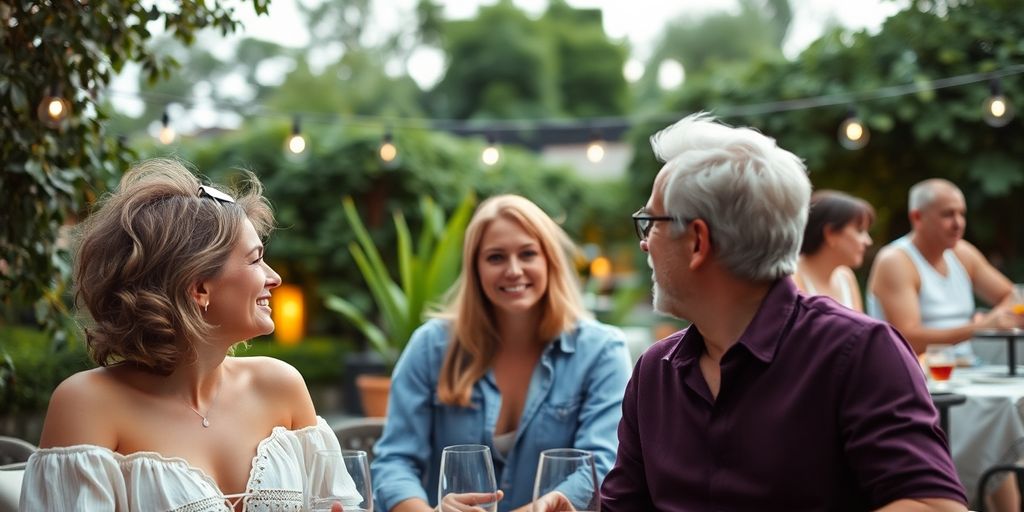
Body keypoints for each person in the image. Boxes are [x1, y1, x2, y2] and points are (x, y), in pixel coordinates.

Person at [601, 113, 967, 511]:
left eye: (651, 223)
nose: (645, 244)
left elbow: (934, 506)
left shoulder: (858, 353)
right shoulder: (656, 370)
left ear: (697, 242)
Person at [20, 159, 359, 511]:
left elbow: (336, 504)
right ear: (198, 287)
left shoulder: (281, 386)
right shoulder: (87, 405)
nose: (273, 278)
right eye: (255, 260)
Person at [371, 194, 632, 512]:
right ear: (475, 268)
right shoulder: (431, 346)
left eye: (528, 254)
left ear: (549, 260)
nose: (513, 270)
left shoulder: (602, 352)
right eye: (495, 257)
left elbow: (602, 466)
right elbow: (395, 461)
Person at [867, 178, 1022, 355]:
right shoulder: (895, 260)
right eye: (948, 214)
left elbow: (1013, 296)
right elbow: (908, 339)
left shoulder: (963, 253)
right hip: (917, 376)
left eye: (962, 214)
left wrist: (997, 318)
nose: (958, 224)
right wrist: (980, 327)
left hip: (966, 370)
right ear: (917, 217)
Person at [793, 189, 875, 312]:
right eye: (859, 231)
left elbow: (861, 329)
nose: (868, 241)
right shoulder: (792, 276)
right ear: (830, 233)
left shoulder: (846, 277)